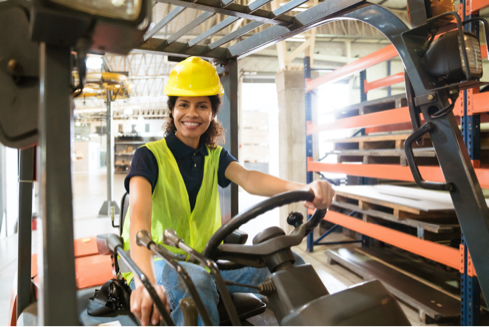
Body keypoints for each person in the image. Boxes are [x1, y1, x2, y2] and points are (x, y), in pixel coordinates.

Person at [121, 56, 335, 326]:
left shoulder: (215, 156)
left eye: (202, 106)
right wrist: (145, 282)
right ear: (172, 110)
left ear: (212, 113)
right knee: (195, 282)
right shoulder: (148, 157)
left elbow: (249, 178)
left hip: (205, 259)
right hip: (154, 260)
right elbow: (138, 220)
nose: (192, 113)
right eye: (183, 104)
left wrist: (304, 188)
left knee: (288, 263)